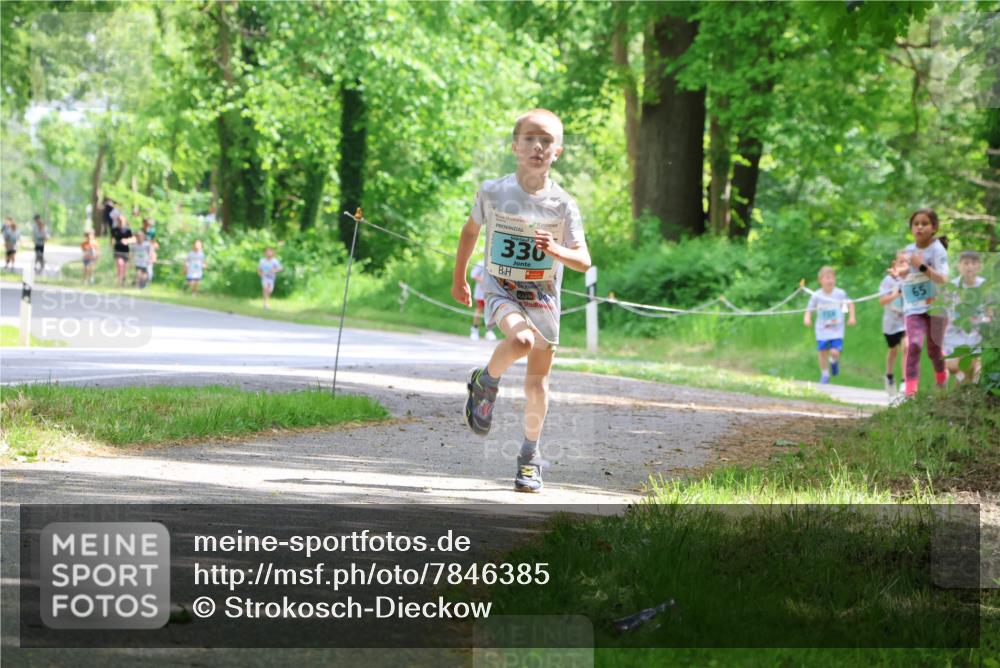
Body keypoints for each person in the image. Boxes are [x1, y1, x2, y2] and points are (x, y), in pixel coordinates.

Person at [451, 108, 590, 493]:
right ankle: (487, 382)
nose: (538, 146)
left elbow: (583, 260)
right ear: (515, 146)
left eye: (547, 140)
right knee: (521, 340)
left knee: (537, 384)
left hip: (542, 297)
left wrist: (557, 250)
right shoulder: (493, 191)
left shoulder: (563, 204)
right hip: (501, 288)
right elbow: (469, 232)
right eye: (530, 138)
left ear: (557, 151)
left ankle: (529, 457)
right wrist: (459, 277)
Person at [896, 208, 950, 397]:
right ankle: (911, 391)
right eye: (915, 224)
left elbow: (943, 279)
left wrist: (921, 266)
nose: (919, 227)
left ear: (934, 227)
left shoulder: (937, 250)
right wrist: (900, 272)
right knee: (914, 345)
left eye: (924, 223)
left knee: (934, 350)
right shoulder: (909, 250)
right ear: (911, 228)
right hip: (914, 307)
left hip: (936, 307)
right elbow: (905, 271)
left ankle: (942, 380)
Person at [804, 266, 856, 385]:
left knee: (834, 351)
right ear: (820, 280)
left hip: (837, 329)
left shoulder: (840, 294)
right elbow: (809, 308)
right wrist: (807, 318)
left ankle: (834, 360)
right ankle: (825, 374)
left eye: (832, 278)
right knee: (822, 352)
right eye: (827, 278)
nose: (830, 281)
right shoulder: (817, 295)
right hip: (822, 329)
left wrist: (851, 317)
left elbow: (850, 304)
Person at [943, 251, 989, 385]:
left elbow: (990, 308)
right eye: (966, 263)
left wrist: (987, 320)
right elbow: (946, 308)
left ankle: (969, 394)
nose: (969, 267)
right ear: (959, 266)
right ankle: (964, 383)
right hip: (955, 331)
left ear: (979, 266)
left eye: (974, 263)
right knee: (952, 366)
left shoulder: (984, 285)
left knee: (974, 367)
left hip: (977, 332)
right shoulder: (952, 286)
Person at [877, 251, 909, 396]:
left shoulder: (912, 279)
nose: (904, 265)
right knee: (893, 350)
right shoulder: (888, 281)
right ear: (894, 264)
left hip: (906, 322)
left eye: (907, 262)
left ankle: (904, 381)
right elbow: (882, 301)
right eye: (901, 262)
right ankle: (889, 375)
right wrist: (896, 294)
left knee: (906, 347)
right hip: (890, 323)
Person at [469, 259, 497, 341]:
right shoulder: (481, 263)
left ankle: (489, 331)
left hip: (492, 292)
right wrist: (484, 281)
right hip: (481, 292)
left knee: (491, 311)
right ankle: (474, 330)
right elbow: (473, 275)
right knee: (479, 309)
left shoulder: (496, 262)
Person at [110, 215, 134, 287]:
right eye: (119, 220)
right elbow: (112, 239)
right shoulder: (114, 229)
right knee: (119, 264)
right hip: (117, 250)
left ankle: (123, 280)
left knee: (125, 267)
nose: (120, 222)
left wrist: (126, 241)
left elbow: (133, 239)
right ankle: (119, 280)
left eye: (121, 220)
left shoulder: (128, 230)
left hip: (126, 250)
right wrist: (111, 245)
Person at [141, 218, 159, 283]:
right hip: (142, 252)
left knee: (149, 268)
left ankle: (148, 281)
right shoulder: (141, 231)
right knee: (142, 268)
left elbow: (154, 242)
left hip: (150, 252)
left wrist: (153, 254)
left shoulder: (152, 231)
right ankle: (141, 282)